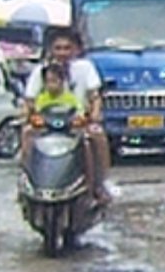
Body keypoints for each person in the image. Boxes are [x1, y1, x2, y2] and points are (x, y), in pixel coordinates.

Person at [25, 26, 112, 203]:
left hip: (77, 123)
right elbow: (29, 99)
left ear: (75, 49)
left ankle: (98, 183)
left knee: (97, 136)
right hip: (47, 124)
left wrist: (94, 114)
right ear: (51, 49)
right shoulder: (41, 71)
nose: (62, 53)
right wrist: (30, 115)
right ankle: (28, 182)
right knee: (27, 134)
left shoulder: (85, 68)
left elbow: (94, 96)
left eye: (67, 48)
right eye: (58, 48)